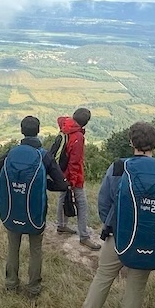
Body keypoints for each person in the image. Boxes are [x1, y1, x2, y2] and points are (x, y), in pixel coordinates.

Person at [69, 121, 155, 308]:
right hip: (148, 237)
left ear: (131, 142)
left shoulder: (119, 167)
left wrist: (110, 224)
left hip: (118, 235)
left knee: (104, 275)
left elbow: (104, 201)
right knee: (137, 283)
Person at [0, 115, 69, 299]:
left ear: (22, 131)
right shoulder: (44, 155)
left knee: (12, 248)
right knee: (35, 249)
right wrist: (43, 184)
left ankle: (11, 284)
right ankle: (33, 288)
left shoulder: (11, 153)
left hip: (12, 210)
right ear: (37, 132)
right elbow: (62, 185)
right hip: (35, 212)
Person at [55, 107, 101, 250]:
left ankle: (62, 225)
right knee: (81, 203)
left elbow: (60, 118)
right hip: (73, 175)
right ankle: (84, 237)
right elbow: (75, 162)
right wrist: (73, 182)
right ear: (86, 123)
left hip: (61, 172)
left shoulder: (65, 126)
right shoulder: (78, 137)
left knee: (63, 198)